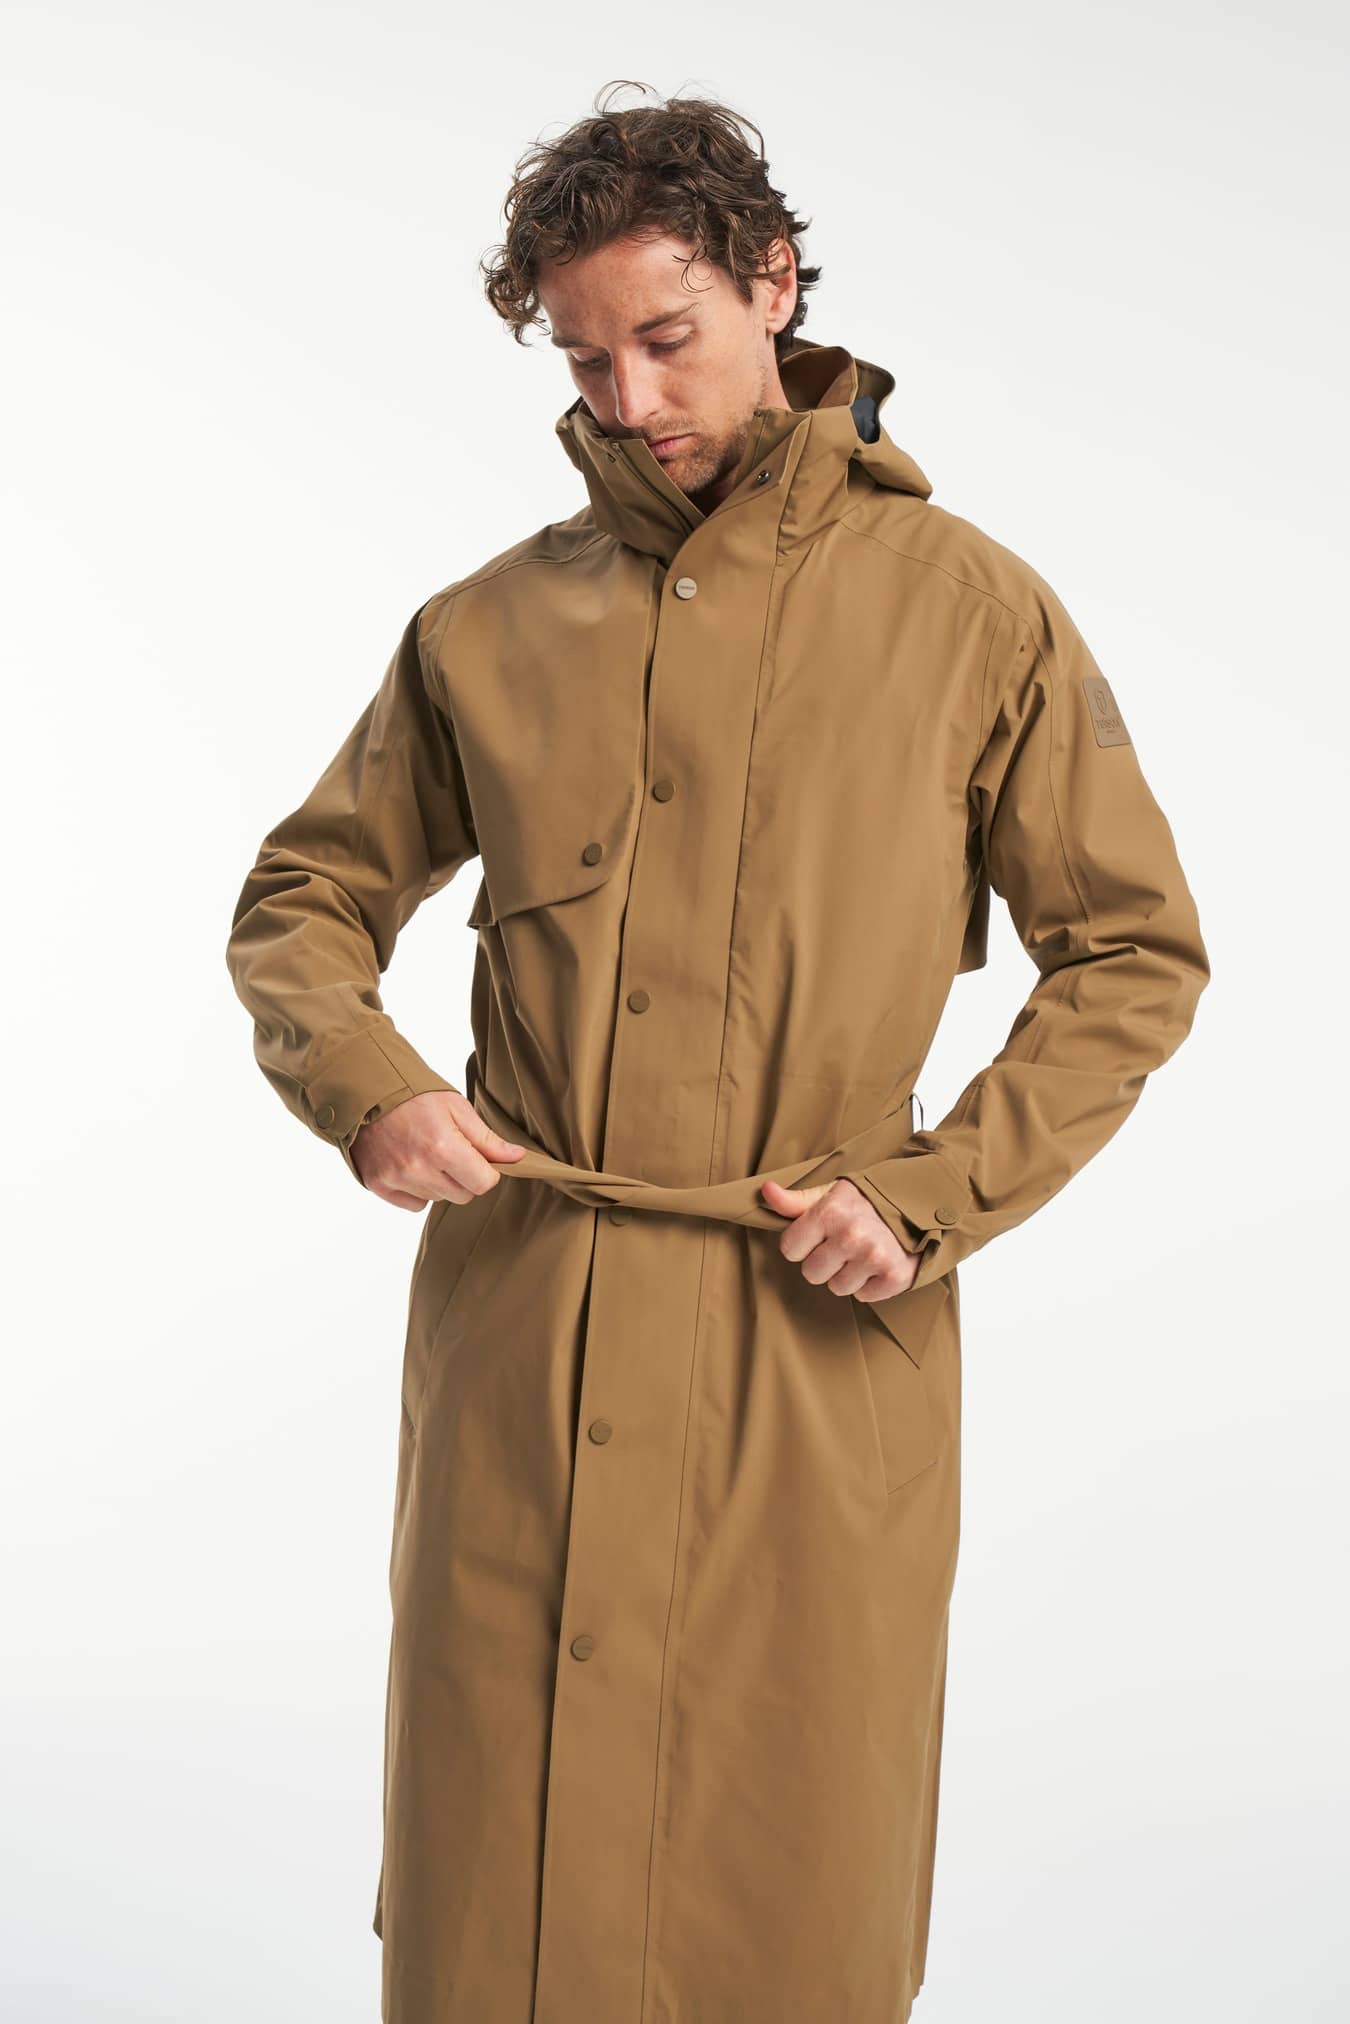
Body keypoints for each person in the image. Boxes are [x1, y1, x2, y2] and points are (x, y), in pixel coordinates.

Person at [226, 80, 1210, 2024]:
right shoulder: (489, 627)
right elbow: (305, 898)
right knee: (496, 1900)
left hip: (812, 1339)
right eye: (585, 360)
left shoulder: (970, 613)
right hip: (527, 1331)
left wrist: (930, 1195)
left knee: (784, 1897)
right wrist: (369, 1082)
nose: (630, 397)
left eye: (666, 337)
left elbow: (1130, 951)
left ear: (773, 281)